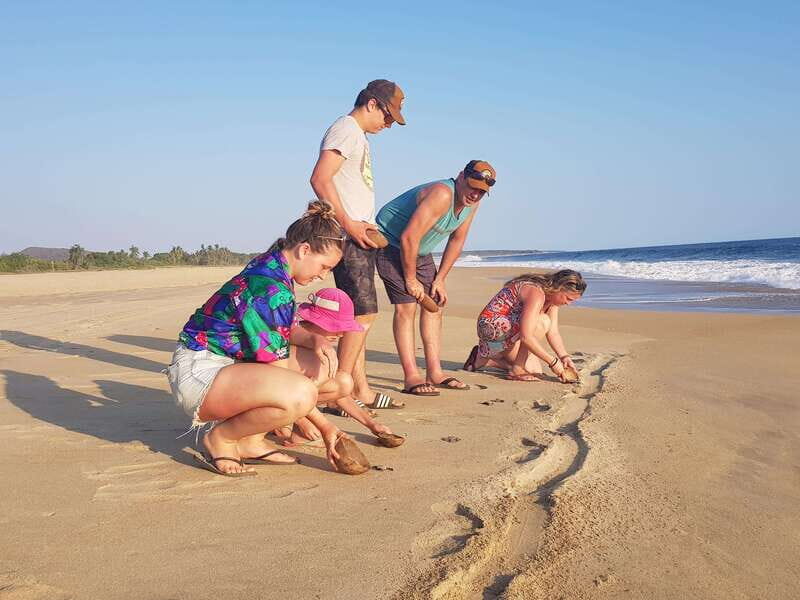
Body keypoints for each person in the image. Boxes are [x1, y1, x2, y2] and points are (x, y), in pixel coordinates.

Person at [165, 201, 349, 476]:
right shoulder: (268, 287)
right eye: (324, 266)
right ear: (305, 249)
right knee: (300, 393)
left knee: (334, 378)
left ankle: (251, 441)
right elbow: (282, 375)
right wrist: (324, 427)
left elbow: (276, 332)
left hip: (228, 366)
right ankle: (223, 438)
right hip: (200, 372)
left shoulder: (276, 266)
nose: (323, 275)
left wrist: (315, 340)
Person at [310, 79, 406, 410]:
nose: (389, 124)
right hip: (347, 234)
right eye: (388, 116)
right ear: (372, 104)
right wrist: (350, 225)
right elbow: (319, 178)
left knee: (356, 315)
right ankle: (340, 391)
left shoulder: (357, 135)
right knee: (363, 315)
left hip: (357, 233)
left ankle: (359, 390)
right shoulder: (346, 128)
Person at [374, 160, 496, 396]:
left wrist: (440, 279)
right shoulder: (441, 194)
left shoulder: (473, 204)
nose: (475, 194)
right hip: (390, 243)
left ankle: (435, 372)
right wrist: (411, 280)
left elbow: (457, 240)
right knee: (406, 307)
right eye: (472, 186)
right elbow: (409, 237)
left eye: (481, 192)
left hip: (420, 250)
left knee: (434, 306)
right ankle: (411, 376)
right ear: (461, 176)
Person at [275, 288, 399, 446]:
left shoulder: (319, 347)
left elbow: (340, 393)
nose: (341, 334)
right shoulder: (285, 336)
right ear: (314, 320)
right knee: (324, 371)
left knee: (343, 382)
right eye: (335, 326)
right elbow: (280, 389)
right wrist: (304, 422)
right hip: (264, 395)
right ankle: (289, 423)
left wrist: (371, 424)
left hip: (290, 398)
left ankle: (293, 425)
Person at [462, 270, 587, 382]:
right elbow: (526, 336)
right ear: (559, 288)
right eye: (568, 298)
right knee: (542, 321)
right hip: (492, 328)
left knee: (534, 370)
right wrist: (553, 362)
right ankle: (516, 369)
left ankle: (485, 360)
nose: (568, 303)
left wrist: (564, 357)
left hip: (508, 331)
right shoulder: (536, 292)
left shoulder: (552, 301)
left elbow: (553, 333)